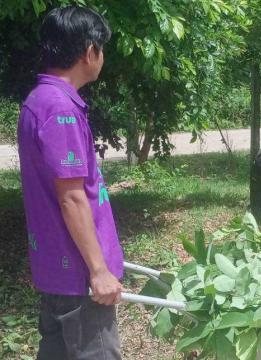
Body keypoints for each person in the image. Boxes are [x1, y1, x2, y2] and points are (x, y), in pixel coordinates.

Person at [17, 6, 124, 359]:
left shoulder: (39, 100)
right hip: (78, 278)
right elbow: (72, 198)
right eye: (101, 49)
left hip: (57, 270)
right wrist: (98, 271)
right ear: (88, 51)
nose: (102, 57)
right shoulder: (59, 109)